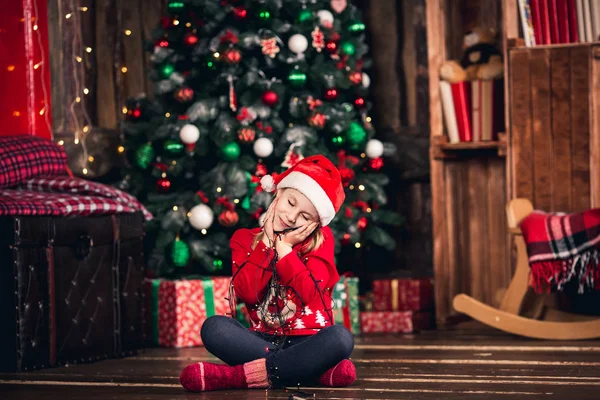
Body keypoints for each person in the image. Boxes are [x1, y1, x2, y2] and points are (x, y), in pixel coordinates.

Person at [179, 154, 356, 392]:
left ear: (316, 223)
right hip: (262, 340)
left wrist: (285, 251)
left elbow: (309, 293)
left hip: (310, 339)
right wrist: (269, 242)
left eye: (305, 216)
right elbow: (249, 294)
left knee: (341, 338)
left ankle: (238, 377)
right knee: (214, 328)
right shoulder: (244, 239)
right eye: (291, 203)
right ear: (278, 193)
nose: (292, 217)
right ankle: (309, 371)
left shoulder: (321, 241)